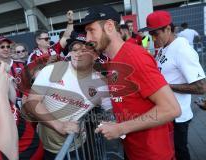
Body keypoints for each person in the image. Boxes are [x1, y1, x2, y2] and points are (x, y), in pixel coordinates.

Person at [74, 5, 181, 160]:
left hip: (154, 154)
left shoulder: (134, 57)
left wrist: (120, 128)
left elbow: (171, 109)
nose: (88, 38)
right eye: (86, 32)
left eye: (91, 30)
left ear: (109, 26)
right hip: (135, 150)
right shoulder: (114, 60)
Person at [22, 31, 111, 160]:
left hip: (76, 147)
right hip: (44, 145)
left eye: (84, 50)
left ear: (95, 55)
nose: (78, 54)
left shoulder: (101, 84)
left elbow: (110, 113)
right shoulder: (52, 70)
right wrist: (59, 125)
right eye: (74, 50)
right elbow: (33, 101)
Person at [144, 11, 206, 160]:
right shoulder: (164, 46)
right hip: (166, 111)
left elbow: (201, 87)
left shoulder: (182, 49)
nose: (152, 39)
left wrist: (167, 86)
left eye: (155, 34)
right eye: (150, 34)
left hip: (178, 116)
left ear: (168, 29)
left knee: (180, 152)